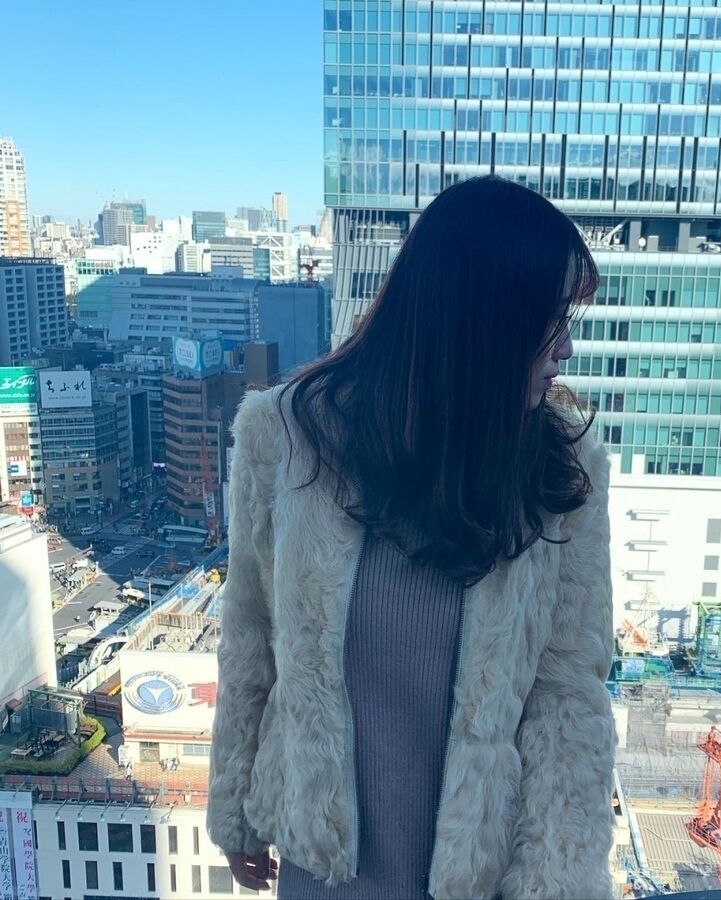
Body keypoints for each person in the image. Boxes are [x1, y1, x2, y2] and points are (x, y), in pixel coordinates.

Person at [207, 176, 616, 900]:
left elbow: (567, 695)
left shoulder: (560, 469)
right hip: (324, 873)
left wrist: (556, 883)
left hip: (478, 882)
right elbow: (249, 635)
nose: (568, 348)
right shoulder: (287, 437)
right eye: (549, 321)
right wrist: (235, 812)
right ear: (482, 322)